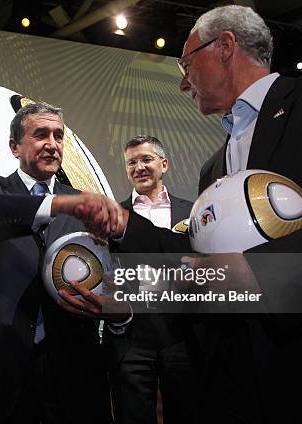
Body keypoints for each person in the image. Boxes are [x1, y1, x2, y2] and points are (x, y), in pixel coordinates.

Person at [58, 5, 302, 424]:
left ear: (225, 47)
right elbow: (204, 266)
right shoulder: (211, 168)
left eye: (186, 63)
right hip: (232, 381)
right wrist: (125, 245)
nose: (182, 83)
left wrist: (261, 273)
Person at [0, 102, 112, 424]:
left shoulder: (82, 201)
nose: (52, 144)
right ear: (14, 146)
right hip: (0, 366)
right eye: (41, 135)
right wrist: (56, 204)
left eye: (59, 136)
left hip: (70, 365)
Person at [103, 135, 198, 424]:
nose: (139, 167)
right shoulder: (113, 217)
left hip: (181, 330)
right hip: (132, 332)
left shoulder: (192, 212)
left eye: (146, 159)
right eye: (132, 162)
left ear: (164, 164)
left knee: (188, 412)